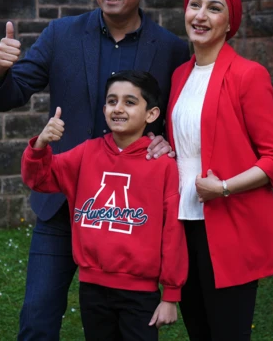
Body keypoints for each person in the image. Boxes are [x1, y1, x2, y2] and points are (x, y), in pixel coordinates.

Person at [0, 0, 190, 340]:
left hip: (128, 216)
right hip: (62, 204)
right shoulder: (61, 34)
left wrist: (169, 145)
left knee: (123, 326)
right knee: (37, 319)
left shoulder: (170, 49)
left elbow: (181, 118)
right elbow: (9, 94)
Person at [166, 0, 273, 341]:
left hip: (225, 226)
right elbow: (187, 143)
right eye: (195, 5)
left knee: (228, 334)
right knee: (199, 332)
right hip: (182, 222)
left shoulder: (248, 75)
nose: (201, 15)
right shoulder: (179, 76)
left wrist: (223, 187)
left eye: (214, 7)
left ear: (229, 23)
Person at [21, 70, 187, 341]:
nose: (118, 108)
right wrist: (40, 145)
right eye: (112, 101)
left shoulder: (163, 165)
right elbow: (38, 179)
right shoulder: (87, 153)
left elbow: (173, 233)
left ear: (152, 114)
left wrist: (170, 294)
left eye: (130, 102)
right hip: (92, 287)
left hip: (140, 292)